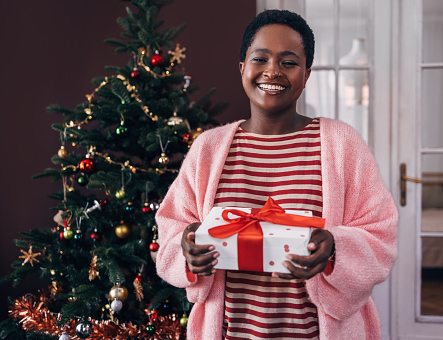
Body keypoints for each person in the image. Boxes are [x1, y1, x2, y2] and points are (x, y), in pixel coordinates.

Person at [156, 9, 398, 340]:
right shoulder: (208, 149)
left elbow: (381, 234)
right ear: (242, 68)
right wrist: (187, 248)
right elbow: (171, 227)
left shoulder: (343, 145)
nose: (273, 71)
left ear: (307, 73)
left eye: (288, 62)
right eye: (260, 59)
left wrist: (335, 247)